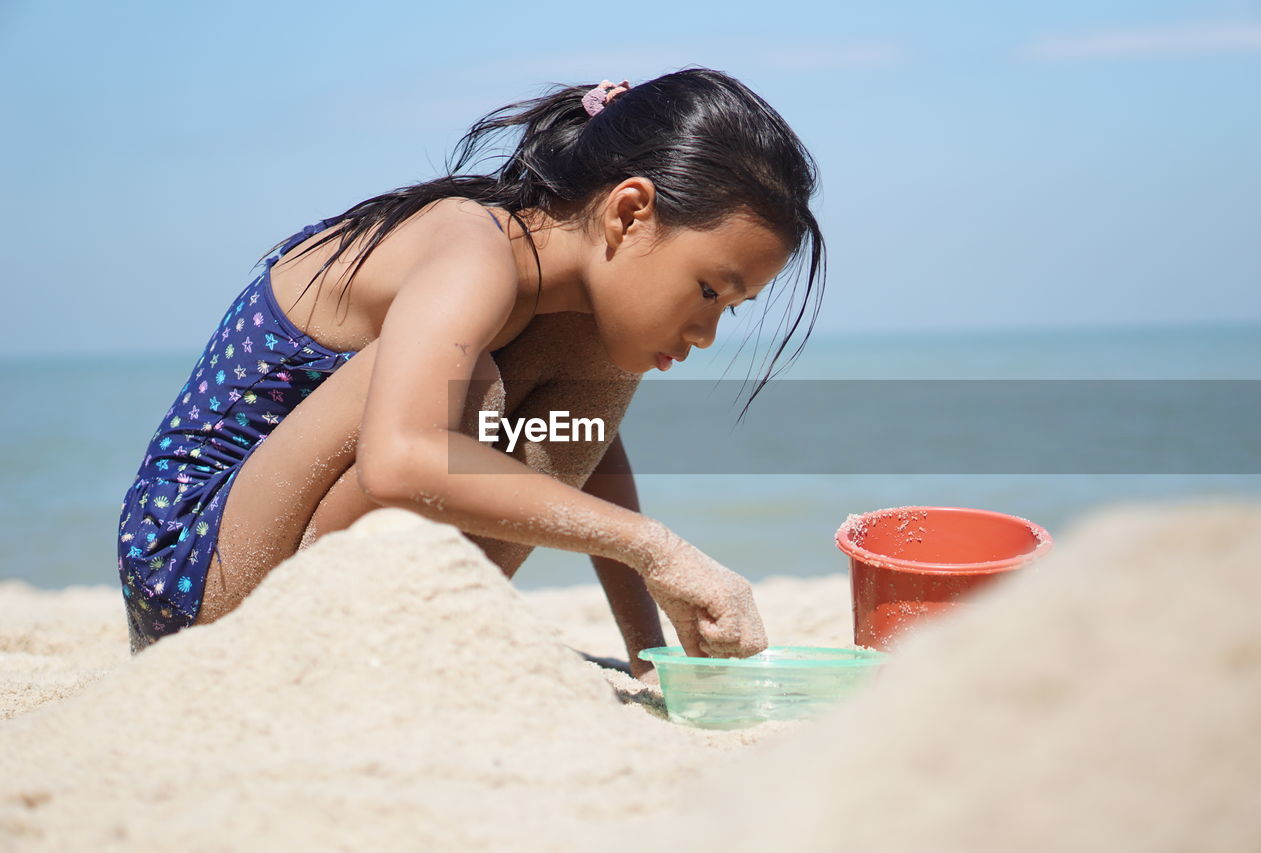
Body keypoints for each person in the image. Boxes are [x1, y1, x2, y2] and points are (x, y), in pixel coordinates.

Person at [116, 68, 827, 679]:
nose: (705, 333)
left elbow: (587, 442)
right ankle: (320, 648)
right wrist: (655, 545)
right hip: (193, 569)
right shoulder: (471, 247)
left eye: (729, 311)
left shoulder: (569, 313)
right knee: (471, 392)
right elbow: (399, 459)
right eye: (709, 291)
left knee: (597, 369)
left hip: (280, 551)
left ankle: (379, 650)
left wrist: (652, 655)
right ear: (630, 213)